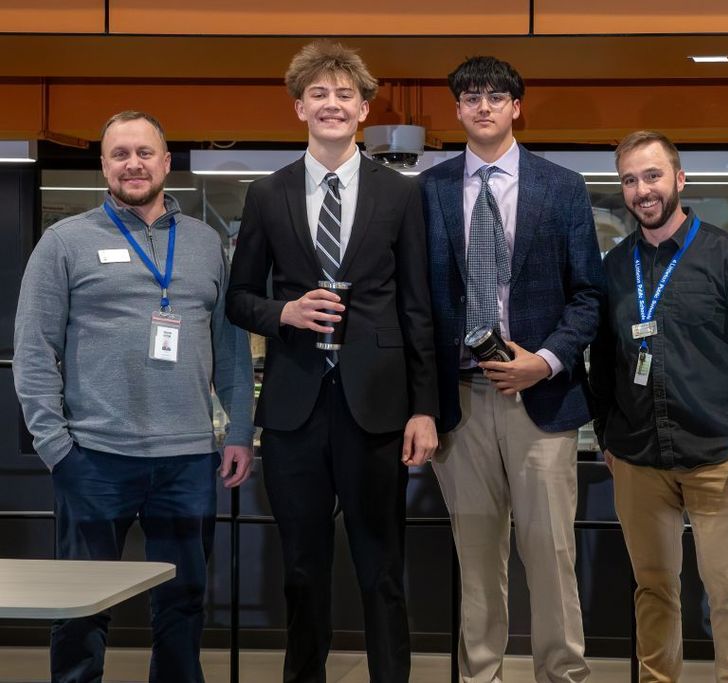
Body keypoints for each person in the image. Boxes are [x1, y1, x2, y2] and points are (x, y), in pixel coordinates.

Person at [13, 110, 255, 683]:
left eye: (145, 152)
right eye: (119, 154)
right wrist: (55, 447)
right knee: (80, 609)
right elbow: (32, 352)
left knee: (182, 602)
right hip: (94, 457)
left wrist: (239, 430)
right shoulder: (63, 242)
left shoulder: (205, 244)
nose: (133, 164)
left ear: (167, 163)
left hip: (188, 458)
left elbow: (233, 350)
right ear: (103, 165)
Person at [226, 41, 438, 683]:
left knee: (382, 570)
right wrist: (282, 314)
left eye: (345, 94)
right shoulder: (267, 194)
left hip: (376, 405)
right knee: (300, 568)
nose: (332, 104)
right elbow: (238, 297)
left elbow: (418, 307)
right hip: (294, 408)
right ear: (298, 108)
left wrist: (425, 408)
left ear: (364, 109)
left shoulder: (401, 194)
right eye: (319, 93)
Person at [418, 56, 604, 682]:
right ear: (459, 109)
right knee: (476, 560)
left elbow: (588, 296)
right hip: (461, 400)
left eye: (497, 96)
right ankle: (480, 675)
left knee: (551, 556)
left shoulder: (561, 186)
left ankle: (563, 675)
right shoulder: (432, 189)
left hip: (541, 403)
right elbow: (419, 301)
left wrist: (544, 362)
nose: (484, 106)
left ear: (517, 106)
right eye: (471, 97)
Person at [589, 130, 728, 682]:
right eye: (630, 180)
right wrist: (606, 434)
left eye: (652, 176)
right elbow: (602, 361)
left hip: (719, 455)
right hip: (637, 457)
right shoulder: (613, 268)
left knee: (727, 590)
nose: (642, 190)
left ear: (678, 179)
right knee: (653, 588)